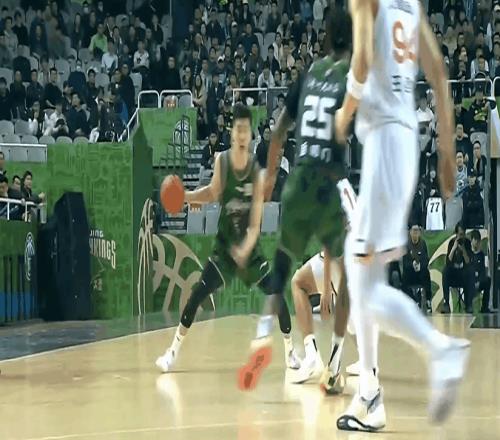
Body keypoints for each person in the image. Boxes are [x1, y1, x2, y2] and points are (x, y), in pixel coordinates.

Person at [333, 0, 470, 431]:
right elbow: (439, 74)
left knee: (364, 286)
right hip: (406, 140)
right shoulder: (411, 4)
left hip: (383, 143)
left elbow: (361, 60)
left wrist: (343, 113)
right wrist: (446, 150)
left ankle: (440, 349)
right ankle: (369, 393)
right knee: (363, 271)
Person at [238, 7, 353, 394]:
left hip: (297, 180)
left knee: (284, 271)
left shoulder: (308, 74)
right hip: (330, 182)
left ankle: (271, 337)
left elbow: (276, 134)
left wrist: (270, 176)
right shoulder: (351, 78)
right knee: (348, 283)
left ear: (326, 37)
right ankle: (333, 362)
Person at [155, 104, 300, 374]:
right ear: (232, 132)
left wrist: (245, 249)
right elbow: (212, 193)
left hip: (249, 252)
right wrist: (186, 197)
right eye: (238, 129)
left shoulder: (257, 173)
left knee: (277, 295)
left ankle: (291, 351)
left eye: (246, 130)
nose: (241, 134)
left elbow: (255, 225)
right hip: (224, 249)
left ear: (250, 134)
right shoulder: (222, 161)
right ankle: (171, 352)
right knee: (196, 295)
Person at [290, 178, 358, 392]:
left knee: (298, 283)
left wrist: (326, 291)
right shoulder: (347, 189)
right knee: (351, 322)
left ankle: (313, 356)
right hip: (353, 263)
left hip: (339, 261)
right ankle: (362, 364)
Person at [442, 222, 475, 314]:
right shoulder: (451, 242)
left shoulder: (467, 243)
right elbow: (448, 262)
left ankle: (469, 305)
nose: (462, 237)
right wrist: (454, 248)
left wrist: (463, 250)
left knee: (470, 271)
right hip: (453, 275)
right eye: (460, 234)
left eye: (463, 234)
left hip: (463, 275)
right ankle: (446, 304)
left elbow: (468, 262)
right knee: (445, 270)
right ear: (456, 234)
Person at [402, 225, 432, 313]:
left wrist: (420, 266)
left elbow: (426, 260)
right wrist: (412, 265)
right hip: (410, 272)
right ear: (410, 232)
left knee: (426, 273)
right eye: (413, 231)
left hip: (420, 272)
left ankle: (428, 301)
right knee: (404, 276)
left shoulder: (423, 244)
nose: (415, 233)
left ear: (419, 233)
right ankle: (411, 301)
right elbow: (405, 262)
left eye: (417, 231)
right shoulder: (406, 245)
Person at [470, 230, 491, 314]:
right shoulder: (468, 254)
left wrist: (479, 281)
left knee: (488, 280)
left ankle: (484, 307)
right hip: (469, 281)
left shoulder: (481, 254)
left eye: (478, 241)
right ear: (471, 240)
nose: (476, 243)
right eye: (475, 240)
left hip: (478, 281)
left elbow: (482, 270)